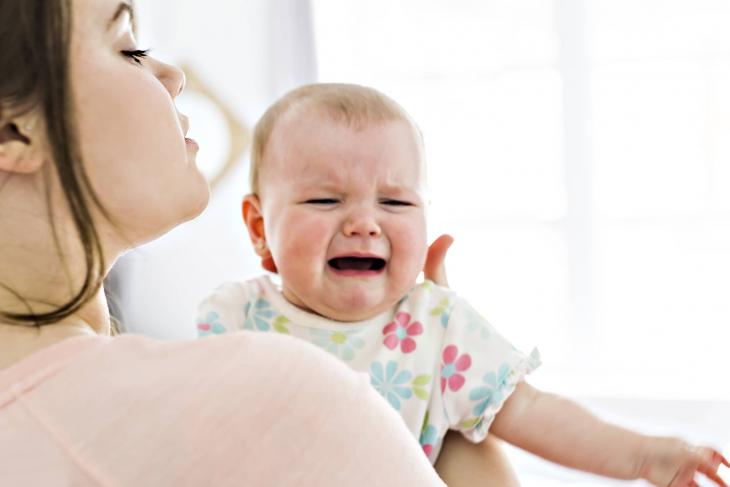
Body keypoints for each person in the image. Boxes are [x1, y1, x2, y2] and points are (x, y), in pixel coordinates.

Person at [0, 1, 473, 485]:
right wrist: (455, 397)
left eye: (394, 202)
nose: (172, 76)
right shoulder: (275, 400)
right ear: (12, 130)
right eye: (129, 48)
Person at [198, 82, 729, 487]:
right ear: (259, 228)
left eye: (396, 201)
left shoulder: (437, 326)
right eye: (324, 200)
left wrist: (643, 456)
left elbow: (530, 411)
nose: (364, 222)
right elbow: (192, 428)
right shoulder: (237, 318)